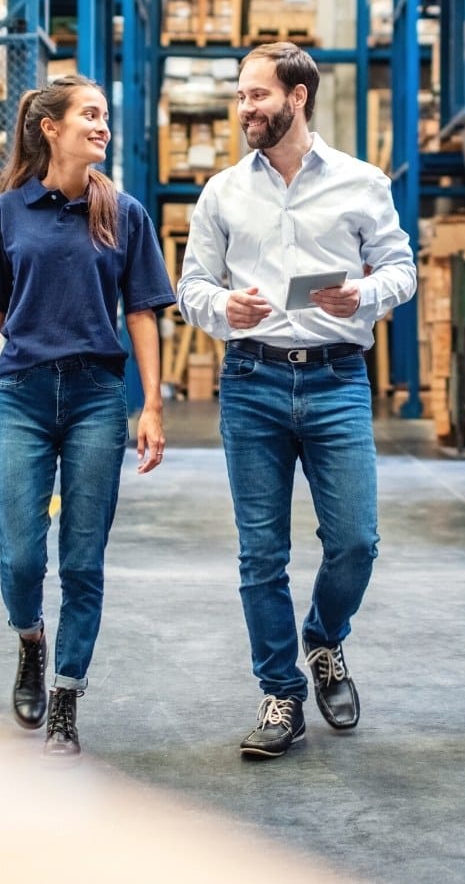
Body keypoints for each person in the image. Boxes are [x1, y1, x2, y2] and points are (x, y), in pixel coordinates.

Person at [176, 42, 416, 760]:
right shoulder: (222, 192)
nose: (245, 108)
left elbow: (401, 267)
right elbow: (191, 289)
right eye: (241, 96)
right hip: (251, 382)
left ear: (297, 97)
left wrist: (364, 294)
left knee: (355, 542)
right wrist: (225, 309)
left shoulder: (361, 182)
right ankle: (280, 691)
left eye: (257, 95)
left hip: (338, 379)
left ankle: (324, 638)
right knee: (260, 554)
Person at [0, 75, 174, 757]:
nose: (102, 125)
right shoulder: (6, 214)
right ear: (49, 128)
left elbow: (143, 312)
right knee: (21, 555)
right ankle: (31, 639)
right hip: (24, 397)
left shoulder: (123, 212)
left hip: (98, 398)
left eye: (103, 116)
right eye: (89, 115)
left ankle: (66, 691)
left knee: (84, 560)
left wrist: (150, 404)